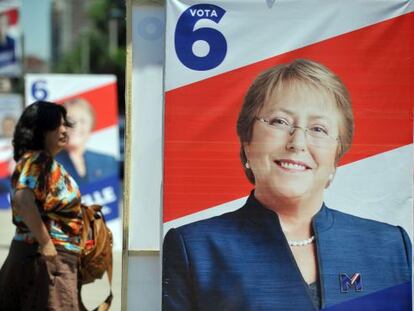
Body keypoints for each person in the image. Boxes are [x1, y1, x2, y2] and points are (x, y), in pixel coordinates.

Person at [162, 59, 412, 310]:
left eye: (318, 128)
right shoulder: (195, 249)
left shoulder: (390, 246)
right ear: (247, 142)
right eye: (280, 122)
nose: (298, 142)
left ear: (336, 156)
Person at [0, 101, 83, 310]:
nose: (64, 130)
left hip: (42, 256)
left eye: (65, 124)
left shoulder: (44, 162)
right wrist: (46, 244)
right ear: (40, 130)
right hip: (44, 259)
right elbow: (22, 199)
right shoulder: (38, 161)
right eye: (57, 125)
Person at [55, 97, 118, 187]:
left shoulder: (108, 162)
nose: (76, 126)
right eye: (69, 120)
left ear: (91, 127)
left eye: (82, 121)